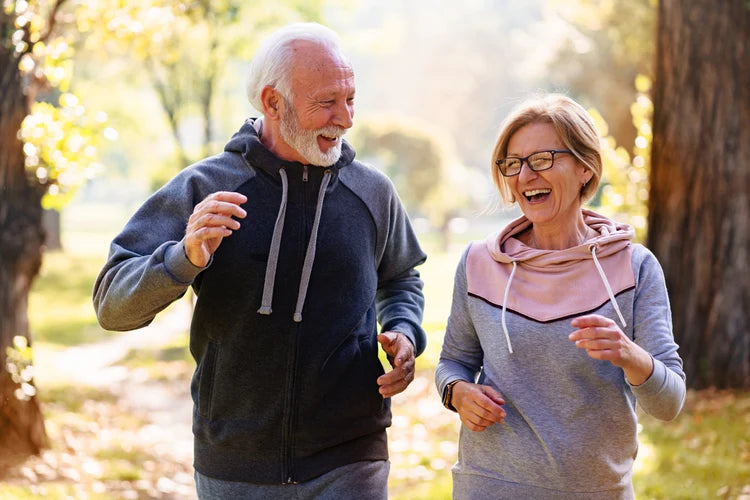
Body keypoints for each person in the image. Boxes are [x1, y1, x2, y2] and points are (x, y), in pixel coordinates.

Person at [93, 22, 427, 499]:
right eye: (327, 102)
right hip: (234, 463)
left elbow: (399, 278)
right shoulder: (204, 188)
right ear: (273, 103)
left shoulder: (371, 193)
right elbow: (112, 306)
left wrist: (406, 332)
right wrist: (183, 259)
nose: (347, 118)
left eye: (350, 98)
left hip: (351, 457)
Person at [435, 93, 686, 499]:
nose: (525, 176)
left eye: (542, 159)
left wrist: (628, 354)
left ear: (586, 168)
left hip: (597, 491)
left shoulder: (634, 269)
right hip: (489, 487)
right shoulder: (479, 264)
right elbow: (453, 362)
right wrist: (457, 393)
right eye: (513, 163)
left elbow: (669, 403)